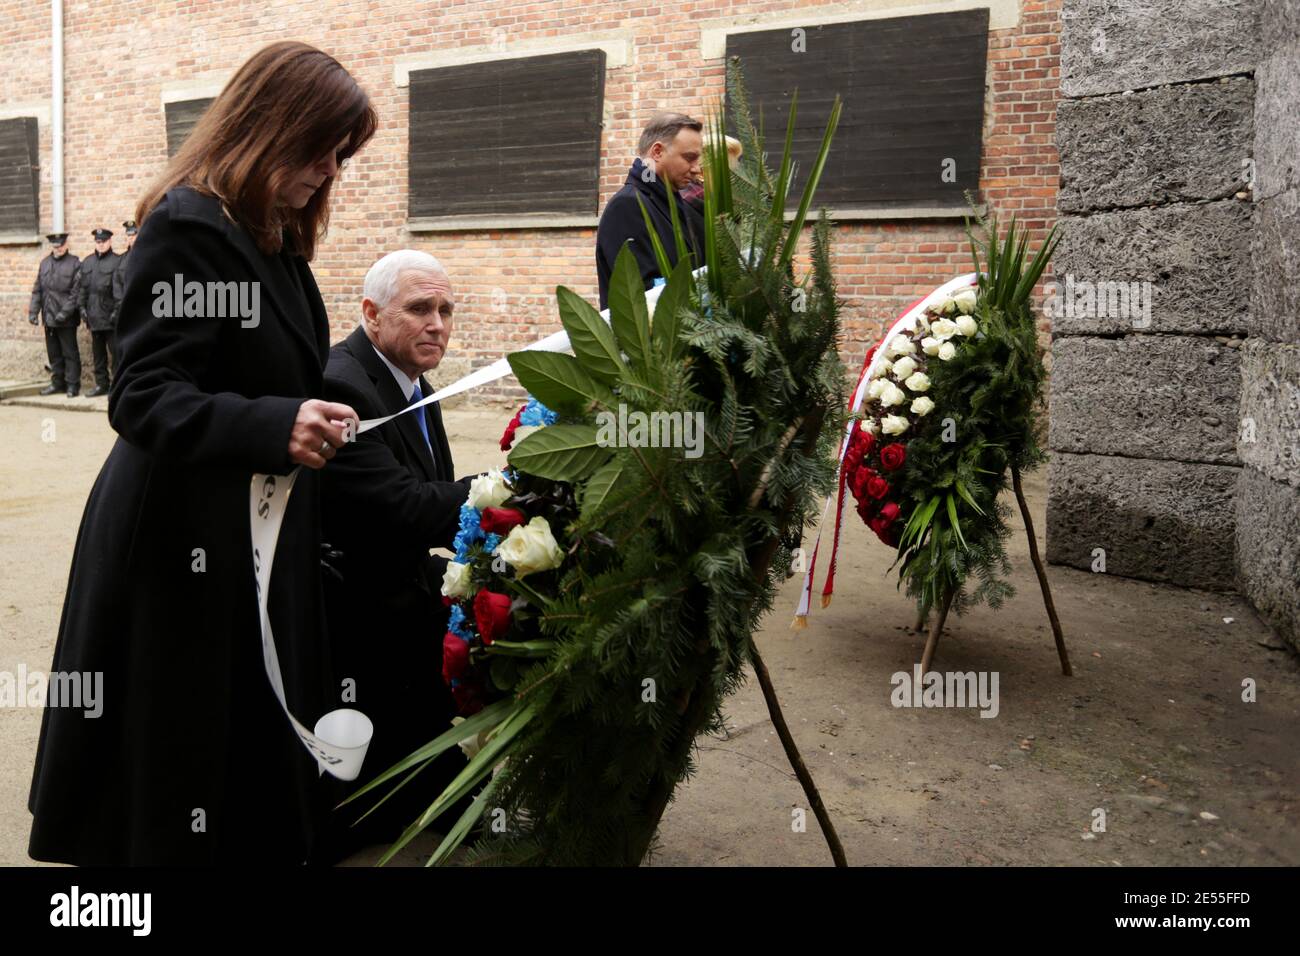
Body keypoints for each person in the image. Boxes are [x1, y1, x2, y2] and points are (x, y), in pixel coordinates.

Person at [27, 40, 377, 866]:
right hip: (181, 536)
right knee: (179, 748)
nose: (330, 171)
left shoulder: (275, 235)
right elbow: (143, 393)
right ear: (269, 127)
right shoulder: (191, 222)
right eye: (321, 148)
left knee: (247, 743)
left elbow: (264, 362)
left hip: (254, 526)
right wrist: (272, 426)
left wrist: (325, 406)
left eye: (342, 156)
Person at [315, 250, 472, 859]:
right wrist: (512, 489)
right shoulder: (343, 386)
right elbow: (403, 507)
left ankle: (427, 790)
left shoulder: (410, 379)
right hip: (352, 601)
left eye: (446, 310)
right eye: (420, 309)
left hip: (398, 576)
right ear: (371, 314)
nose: (437, 323)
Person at [595, 112, 706, 309]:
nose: (697, 169)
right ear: (657, 152)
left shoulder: (680, 205)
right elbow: (644, 297)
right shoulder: (627, 207)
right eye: (690, 158)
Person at [27, 232, 82, 396]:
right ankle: (57, 383)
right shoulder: (44, 264)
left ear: (66, 245)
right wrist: (33, 311)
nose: (58, 249)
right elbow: (38, 290)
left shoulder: (74, 263)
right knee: (54, 353)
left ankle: (73, 384)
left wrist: (64, 313)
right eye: (55, 246)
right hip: (49, 317)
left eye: (60, 245)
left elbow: (76, 292)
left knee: (70, 353)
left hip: (67, 319)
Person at [78, 227, 121, 396]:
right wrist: (81, 307)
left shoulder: (117, 261)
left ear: (110, 241)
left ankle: (117, 387)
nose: (101, 245)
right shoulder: (88, 262)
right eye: (98, 242)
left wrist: (115, 313)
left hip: (110, 318)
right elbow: (82, 288)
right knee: (98, 355)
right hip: (94, 318)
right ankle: (101, 384)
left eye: (103, 241)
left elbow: (119, 291)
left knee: (116, 355)